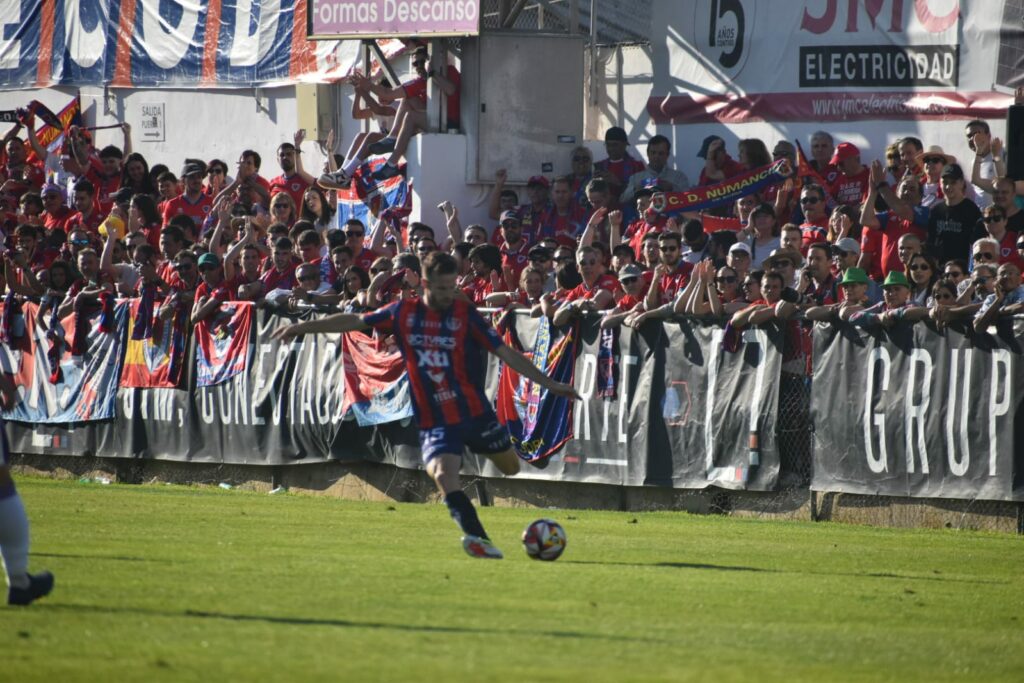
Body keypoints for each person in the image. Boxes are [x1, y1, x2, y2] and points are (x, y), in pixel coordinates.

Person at [270, 252, 579, 558]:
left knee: (510, 468)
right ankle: (477, 538)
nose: (448, 295)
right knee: (444, 476)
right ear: (426, 283)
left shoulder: (464, 314)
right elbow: (356, 319)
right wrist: (301, 327)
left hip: (473, 412)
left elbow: (505, 352)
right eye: (441, 288)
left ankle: (475, 501)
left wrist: (550, 383)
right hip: (436, 418)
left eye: (451, 287)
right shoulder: (404, 312)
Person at [620, 135, 690, 205]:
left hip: (672, 214)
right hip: (643, 215)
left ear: (667, 155)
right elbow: (622, 200)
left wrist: (672, 188)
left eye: (661, 153)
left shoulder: (679, 177)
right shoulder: (635, 178)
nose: (656, 156)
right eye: (653, 153)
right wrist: (636, 189)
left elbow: (689, 200)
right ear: (648, 153)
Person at [593, 126, 646, 207]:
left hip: (630, 210)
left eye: (615, 145)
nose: (611, 149)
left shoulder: (637, 166)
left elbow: (642, 192)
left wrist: (619, 184)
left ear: (624, 145)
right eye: (608, 145)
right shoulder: (598, 166)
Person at [973, 262, 1024, 331]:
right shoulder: (992, 298)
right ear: (996, 279)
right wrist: (997, 300)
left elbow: (1021, 307)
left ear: (1019, 279)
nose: (1006, 276)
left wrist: (997, 312)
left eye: (1010, 273)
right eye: (1002, 274)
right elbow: (978, 327)